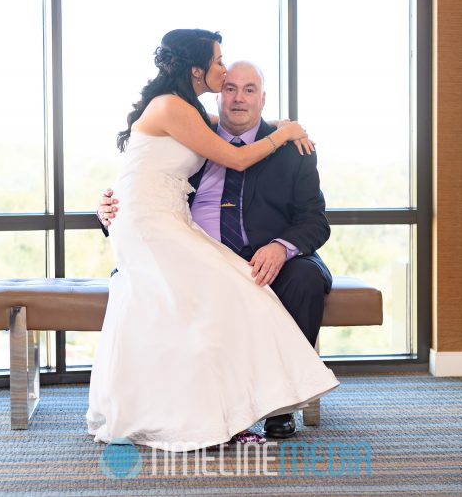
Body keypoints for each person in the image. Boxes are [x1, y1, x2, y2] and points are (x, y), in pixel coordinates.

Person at [86, 29, 338, 452]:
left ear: (262, 97)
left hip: (193, 234)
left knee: (277, 283)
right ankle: (213, 413)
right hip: (157, 230)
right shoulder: (181, 115)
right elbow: (154, 174)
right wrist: (105, 206)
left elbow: (313, 218)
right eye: (223, 71)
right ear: (200, 72)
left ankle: (271, 406)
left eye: (249, 89)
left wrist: (287, 131)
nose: (235, 92)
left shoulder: (208, 123)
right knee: (230, 292)